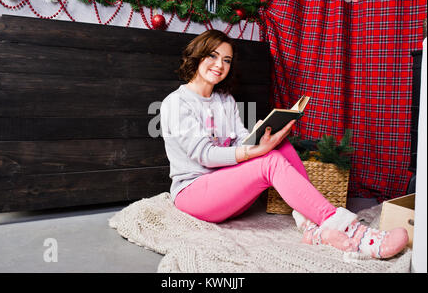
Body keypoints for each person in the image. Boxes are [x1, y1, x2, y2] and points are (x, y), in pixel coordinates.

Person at [160, 30, 408, 259]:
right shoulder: (176, 103)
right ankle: (349, 229)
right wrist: (253, 152)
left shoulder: (225, 100)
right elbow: (204, 155)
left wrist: (261, 139)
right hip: (194, 195)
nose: (220, 65)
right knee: (269, 161)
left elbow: (238, 139)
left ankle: (314, 227)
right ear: (197, 55)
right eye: (213, 56)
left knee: (280, 146)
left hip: (226, 190)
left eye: (227, 60)